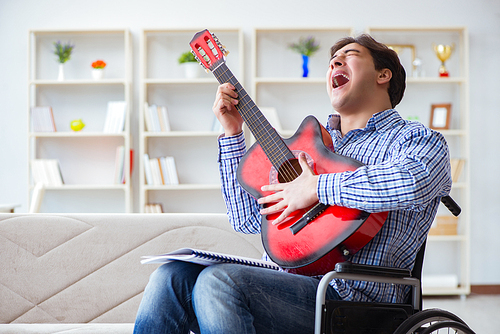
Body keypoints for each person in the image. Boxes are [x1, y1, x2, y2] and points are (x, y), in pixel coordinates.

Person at [133, 34, 452, 334]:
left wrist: (314, 187)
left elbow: (413, 182)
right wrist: (232, 134)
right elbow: (246, 219)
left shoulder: (416, 139)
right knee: (170, 276)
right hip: (285, 283)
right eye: (332, 60)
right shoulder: (313, 146)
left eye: (348, 56)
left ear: (384, 75)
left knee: (220, 282)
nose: (334, 63)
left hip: (355, 301)